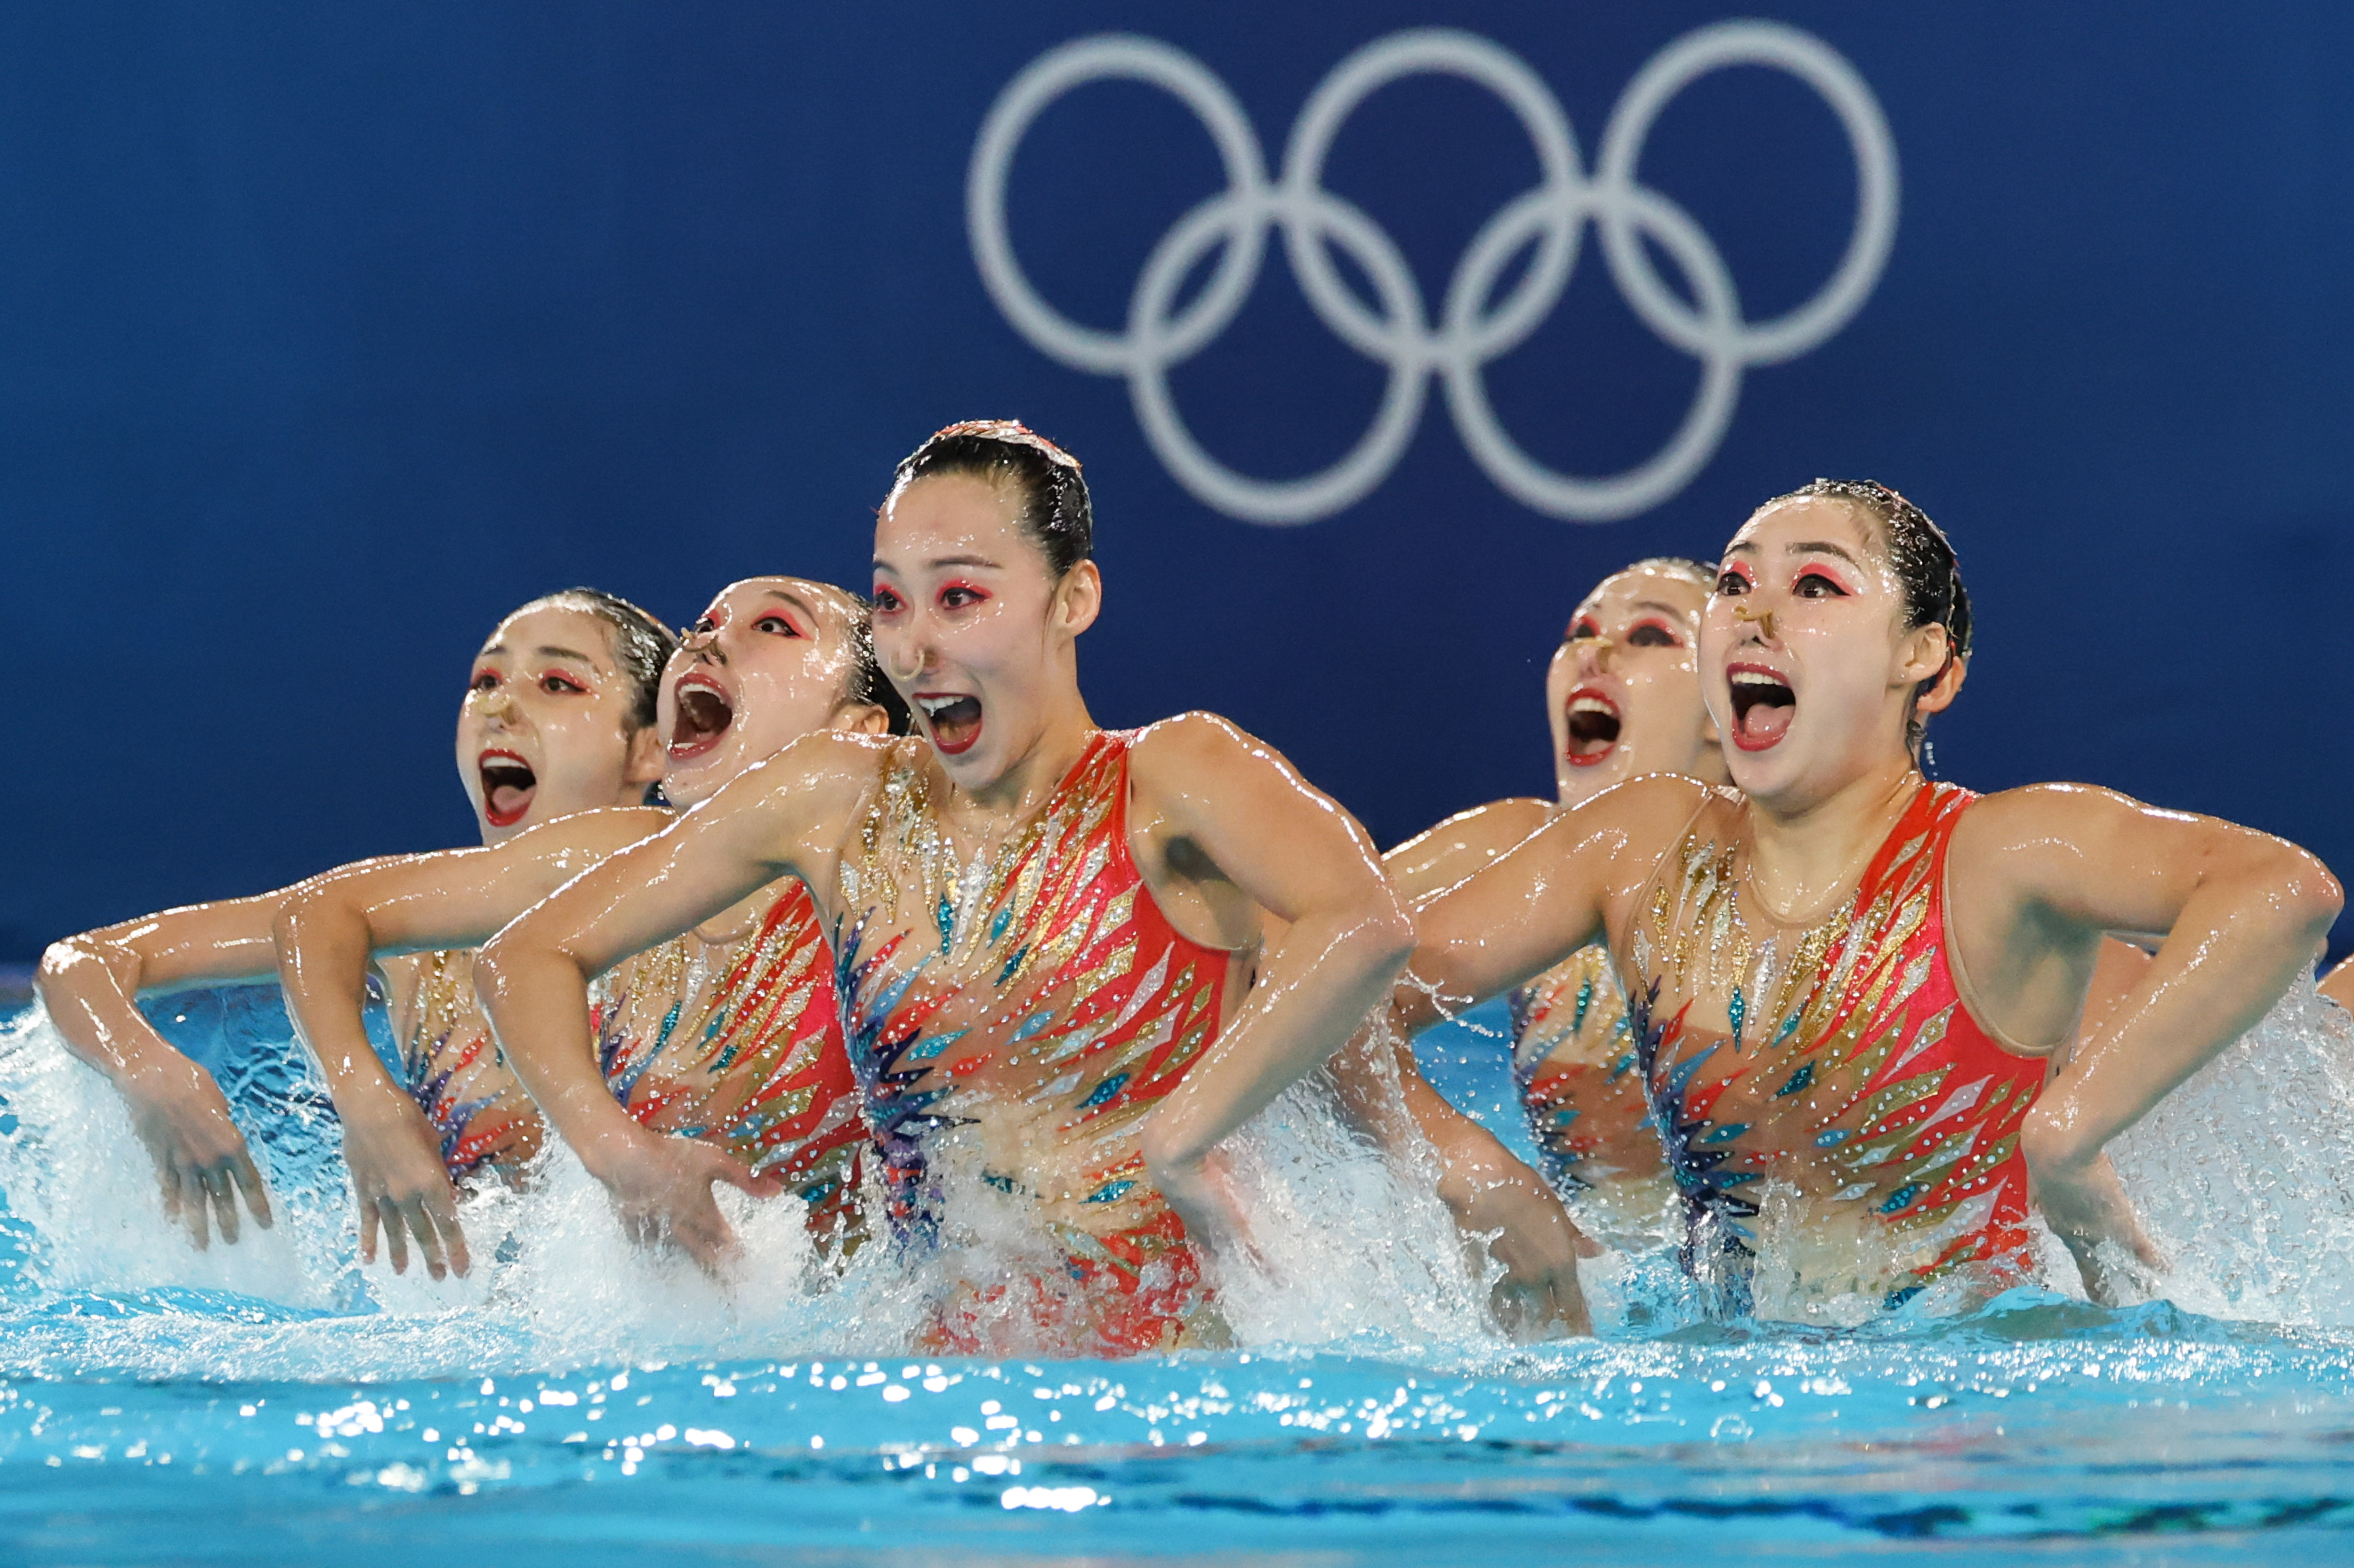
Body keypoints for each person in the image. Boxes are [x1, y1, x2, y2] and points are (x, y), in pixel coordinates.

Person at [473, 421, 1415, 1356]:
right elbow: (526, 953)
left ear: (1072, 598)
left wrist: (1183, 1137)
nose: (916, 648)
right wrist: (622, 1156)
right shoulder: (838, 797)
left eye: (959, 598)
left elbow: (1365, 922)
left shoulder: (1174, 776)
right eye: (890, 603)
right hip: (933, 1393)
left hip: (1179, 1386)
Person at [1375, 478, 2338, 1319]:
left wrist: (2070, 1132)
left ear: (1924, 659)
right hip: (1722, 1400)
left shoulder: (1999, 852)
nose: (1755, 612)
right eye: (1736, 582)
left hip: (1979, 1420)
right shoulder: (1633, 845)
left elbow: (2281, 887)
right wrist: (1475, 1168)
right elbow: (1339, 997)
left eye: (1816, 586)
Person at [271, 576, 903, 1279]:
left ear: (861, 731)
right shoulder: (620, 855)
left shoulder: (900, 893)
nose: (708, 639)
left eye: (775, 627)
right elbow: (330, 911)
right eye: (706, 621)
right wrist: (365, 1098)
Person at [34, 589, 674, 1255]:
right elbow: (84, 962)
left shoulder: (712, 912)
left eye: (557, 684)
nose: (499, 707)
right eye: (485, 680)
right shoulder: (404, 939)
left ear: (649, 752)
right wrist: (151, 1075)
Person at [1385, 559, 1723, 1239]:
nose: (1595, 650)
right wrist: (1458, 1156)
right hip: (1583, 1284)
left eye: (1651, 635)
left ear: (1729, 704)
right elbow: (1292, 959)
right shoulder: (1514, 852)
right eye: (1583, 631)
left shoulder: (1791, 888)